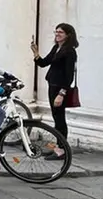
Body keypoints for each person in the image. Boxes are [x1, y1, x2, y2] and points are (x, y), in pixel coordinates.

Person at [32, 23, 78, 160]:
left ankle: (61, 150)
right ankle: (59, 147)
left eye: (61, 32)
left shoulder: (70, 51)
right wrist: (35, 52)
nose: (57, 34)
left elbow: (69, 76)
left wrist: (61, 94)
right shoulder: (57, 48)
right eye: (56, 32)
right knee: (56, 118)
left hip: (60, 89)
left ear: (68, 35)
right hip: (52, 85)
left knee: (59, 119)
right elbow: (44, 63)